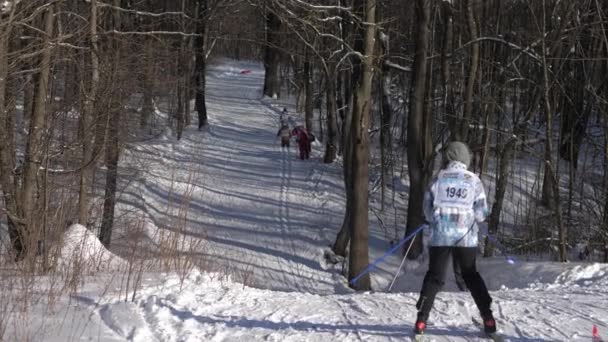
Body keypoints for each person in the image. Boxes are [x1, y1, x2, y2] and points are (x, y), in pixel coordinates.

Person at [414, 141, 497, 336]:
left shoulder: (437, 179)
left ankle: (421, 321)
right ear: (466, 158)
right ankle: (488, 318)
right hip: (466, 237)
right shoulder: (474, 180)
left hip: (440, 236)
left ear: (448, 158)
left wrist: (433, 218)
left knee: (435, 277)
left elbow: (426, 210)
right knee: (470, 275)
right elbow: (481, 213)